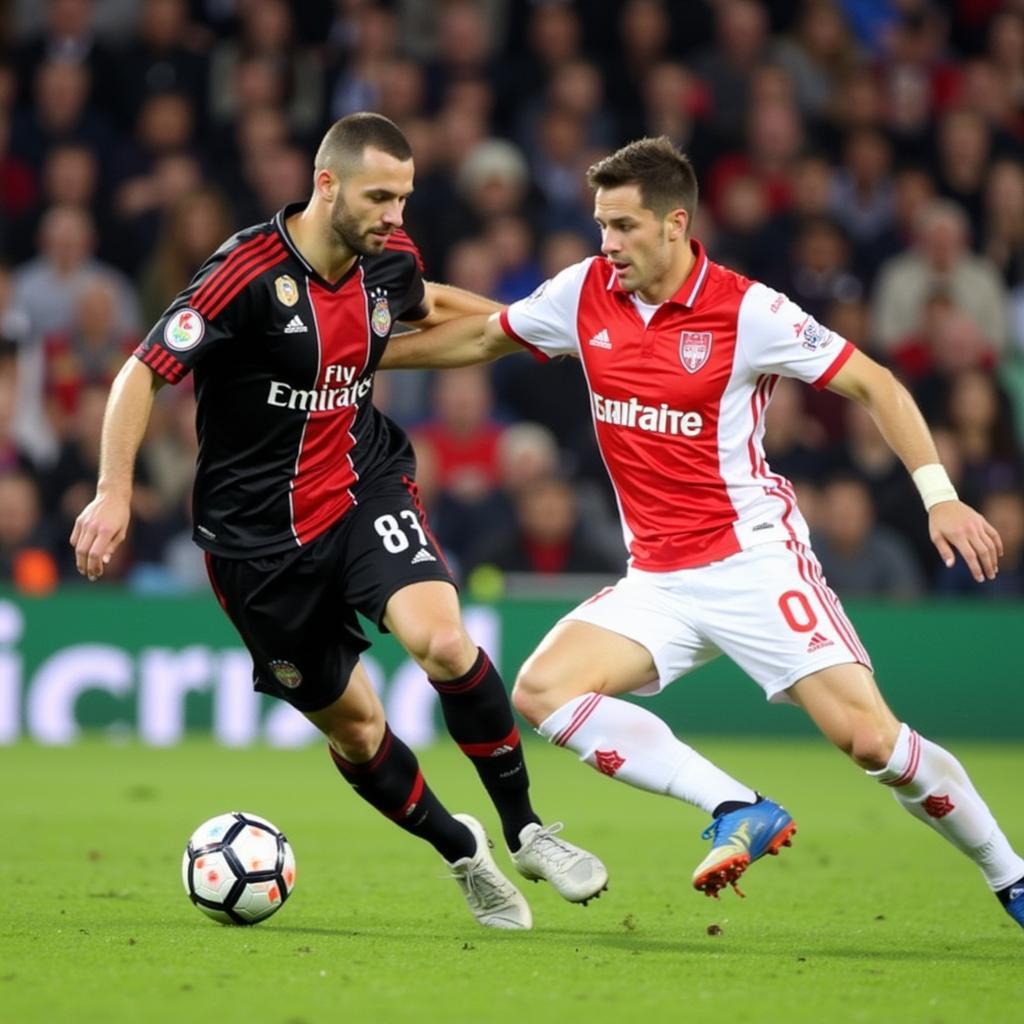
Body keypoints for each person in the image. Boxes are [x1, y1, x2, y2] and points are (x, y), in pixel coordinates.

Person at [378, 136, 1024, 930]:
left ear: (675, 223)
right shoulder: (584, 292)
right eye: (600, 225)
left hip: (752, 561)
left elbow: (874, 382)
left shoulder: (747, 310)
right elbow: (480, 335)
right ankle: (733, 804)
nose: (607, 244)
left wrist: (939, 495)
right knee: (542, 692)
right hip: (656, 578)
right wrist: (352, 358)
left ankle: (1010, 876)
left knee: (869, 740)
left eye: (623, 226)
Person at [70, 113, 607, 931]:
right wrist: (113, 490)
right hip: (254, 546)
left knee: (444, 643)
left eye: (405, 196)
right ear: (327, 186)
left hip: (362, 488)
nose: (397, 214)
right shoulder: (244, 273)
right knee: (358, 730)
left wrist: (532, 327)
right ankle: (462, 849)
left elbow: (425, 308)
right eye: (381, 196)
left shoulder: (387, 259)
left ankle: (527, 828)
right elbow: (142, 372)